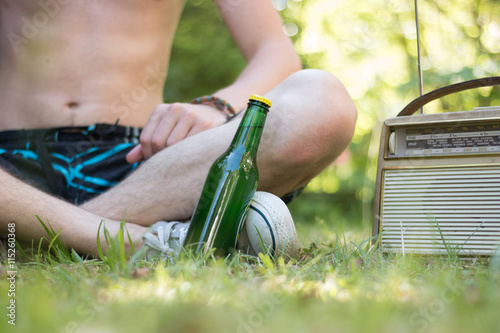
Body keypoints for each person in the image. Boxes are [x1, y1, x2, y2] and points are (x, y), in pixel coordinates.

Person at [0, 0, 357, 257]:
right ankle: (132, 239)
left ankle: (33, 230)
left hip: (142, 169)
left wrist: (217, 107)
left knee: (324, 103)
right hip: (8, 167)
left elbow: (275, 53)